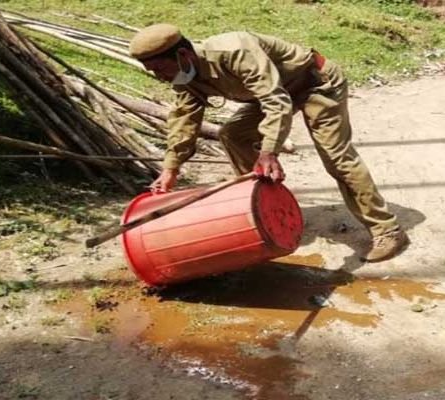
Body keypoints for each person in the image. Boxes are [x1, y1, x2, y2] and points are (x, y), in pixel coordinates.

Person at [128, 24, 408, 262]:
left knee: (336, 157)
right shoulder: (184, 75)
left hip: (316, 84)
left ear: (183, 54)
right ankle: (266, 207)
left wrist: (269, 152)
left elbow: (276, 101)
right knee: (232, 134)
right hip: (278, 93)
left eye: (159, 68)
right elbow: (184, 121)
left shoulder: (233, 50)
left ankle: (387, 230)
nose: (158, 76)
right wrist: (170, 169)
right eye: (151, 71)